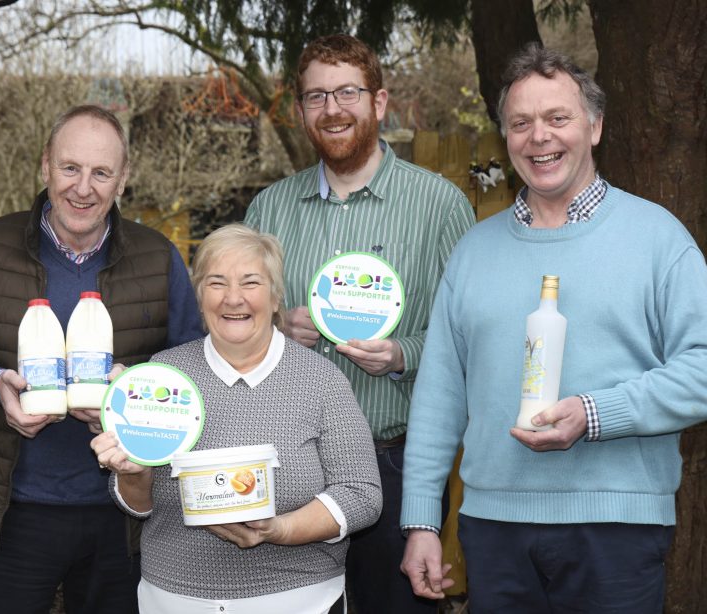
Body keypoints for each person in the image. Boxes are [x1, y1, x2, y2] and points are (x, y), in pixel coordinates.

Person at [399, 44, 707, 613]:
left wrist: (594, 414)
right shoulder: (473, 252)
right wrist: (420, 518)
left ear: (594, 127)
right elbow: (439, 391)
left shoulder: (659, 239)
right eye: (521, 123)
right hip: (493, 528)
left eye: (557, 118)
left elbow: (702, 370)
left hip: (617, 525)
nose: (538, 136)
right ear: (506, 137)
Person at [0, 104, 203, 613]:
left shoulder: (158, 256)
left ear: (123, 179)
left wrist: (135, 391)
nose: (84, 188)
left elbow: (192, 372)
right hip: (11, 511)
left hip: (123, 518)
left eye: (101, 172)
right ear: (45, 166)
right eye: (70, 168)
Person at [243, 33, 474, 613]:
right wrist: (273, 333)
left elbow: (468, 336)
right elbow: (232, 331)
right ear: (300, 112)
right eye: (316, 97)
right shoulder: (268, 210)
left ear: (379, 101)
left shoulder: (439, 205)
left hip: (394, 461)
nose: (333, 109)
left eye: (347, 92)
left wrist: (402, 355)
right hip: (288, 462)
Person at [91, 223, 382, 613]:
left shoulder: (322, 380)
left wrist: (280, 529)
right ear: (199, 297)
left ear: (276, 297)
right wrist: (132, 472)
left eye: (250, 283)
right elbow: (138, 505)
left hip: (297, 600)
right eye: (216, 283)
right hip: (174, 599)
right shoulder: (162, 376)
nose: (233, 299)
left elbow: (362, 494)